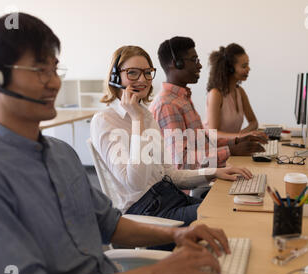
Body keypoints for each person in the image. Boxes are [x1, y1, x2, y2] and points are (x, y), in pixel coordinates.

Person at [0, 13, 232, 274]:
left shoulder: (61, 154)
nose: (54, 82)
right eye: (39, 70)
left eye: (54, 69)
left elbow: (110, 225)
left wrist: (177, 236)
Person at [91, 45, 254, 227]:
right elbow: (135, 183)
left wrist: (214, 172)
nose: (142, 79)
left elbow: (170, 174)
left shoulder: (146, 115)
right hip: (146, 211)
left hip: (169, 197)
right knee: (225, 217)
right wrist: (137, 120)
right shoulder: (105, 120)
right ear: (115, 78)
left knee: (234, 207)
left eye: (147, 73)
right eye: (132, 73)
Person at [149, 37, 266, 171]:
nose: (199, 65)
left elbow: (202, 143)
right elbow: (182, 163)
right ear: (177, 63)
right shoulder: (167, 105)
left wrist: (236, 141)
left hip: (205, 176)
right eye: (194, 60)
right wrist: (230, 150)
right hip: (191, 188)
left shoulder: (182, 98)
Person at [205, 43, 266, 141]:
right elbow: (213, 134)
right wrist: (240, 136)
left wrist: (242, 135)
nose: (248, 69)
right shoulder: (215, 94)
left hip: (232, 146)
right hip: (213, 148)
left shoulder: (239, 92)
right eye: (244, 66)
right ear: (230, 69)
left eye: (248, 65)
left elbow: (253, 122)